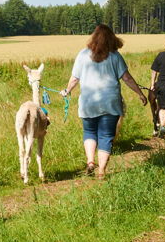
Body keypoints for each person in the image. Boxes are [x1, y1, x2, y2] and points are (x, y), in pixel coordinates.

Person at [60, 24, 148, 180]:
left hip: (88, 103)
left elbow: (74, 78)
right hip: (110, 103)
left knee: (89, 132)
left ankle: (90, 162)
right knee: (106, 136)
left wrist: (67, 91)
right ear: (111, 39)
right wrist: (140, 93)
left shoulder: (82, 55)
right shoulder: (115, 56)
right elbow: (126, 78)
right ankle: (101, 172)